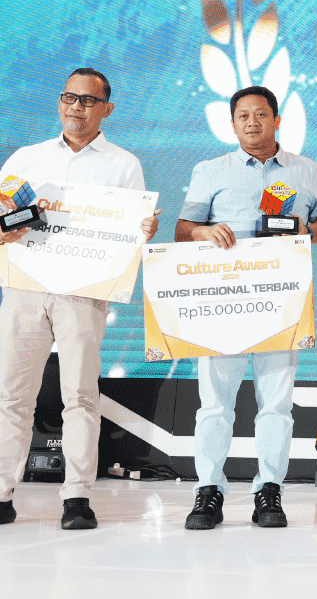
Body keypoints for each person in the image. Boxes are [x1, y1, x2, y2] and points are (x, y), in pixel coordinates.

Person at [0, 68, 160, 530]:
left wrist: (144, 229)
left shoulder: (123, 164)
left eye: (88, 100)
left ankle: (77, 498)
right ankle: (2, 493)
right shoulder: (26, 158)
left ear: (106, 109)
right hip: (25, 286)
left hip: (84, 293)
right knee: (11, 395)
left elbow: (131, 233)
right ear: (60, 102)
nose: (76, 106)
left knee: (81, 396)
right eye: (69, 97)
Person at [175, 85, 317, 530]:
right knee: (214, 404)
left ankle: (270, 490)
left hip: (281, 300)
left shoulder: (307, 170)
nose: (252, 122)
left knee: (277, 405)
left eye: (261, 114)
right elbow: (183, 228)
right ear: (232, 124)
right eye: (243, 116)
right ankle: (208, 490)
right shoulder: (210, 170)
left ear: (277, 120)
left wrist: (305, 230)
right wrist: (204, 233)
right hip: (222, 302)